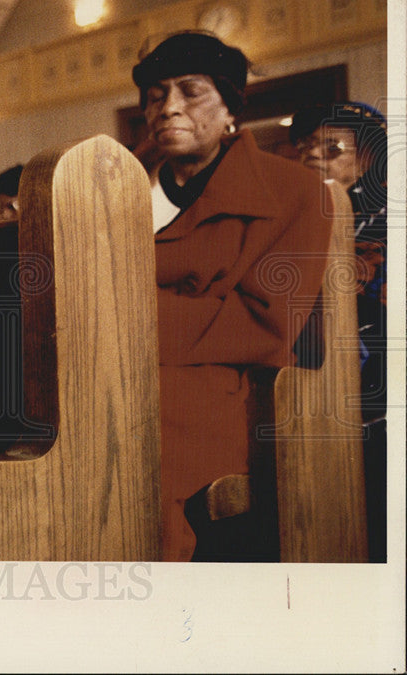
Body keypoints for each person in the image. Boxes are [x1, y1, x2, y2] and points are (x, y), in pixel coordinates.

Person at [130, 31, 332, 561]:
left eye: (190, 90)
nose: (168, 106)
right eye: (155, 95)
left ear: (230, 110)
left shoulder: (296, 192)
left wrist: (123, 319)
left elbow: (263, 325)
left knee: (137, 459)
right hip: (115, 370)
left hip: (228, 392)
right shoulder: (118, 189)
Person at [289, 101, 388, 562]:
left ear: (367, 160)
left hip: (374, 395)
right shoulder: (301, 213)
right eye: (307, 145)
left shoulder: (385, 218)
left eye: (332, 148)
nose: (314, 155)